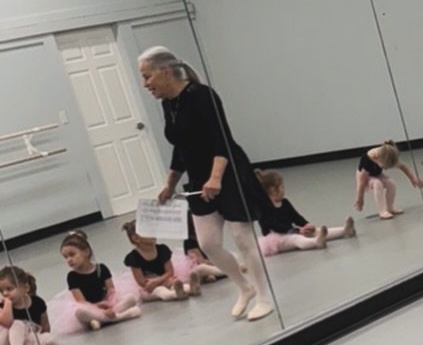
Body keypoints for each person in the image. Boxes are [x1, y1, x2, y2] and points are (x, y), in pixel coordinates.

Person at [138, 47, 275, 322]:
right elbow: (181, 147)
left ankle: (263, 297)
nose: (146, 84)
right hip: (199, 179)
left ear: (165, 72)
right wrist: (170, 183)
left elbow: (220, 138)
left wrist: (216, 177)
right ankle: (244, 288)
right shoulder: (169, 103)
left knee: (242, 238)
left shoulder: (203, 96)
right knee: (209, 243)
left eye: (147, 76)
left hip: (228, 172)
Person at [55, 230, 142, 331]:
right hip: (90, 307)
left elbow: (111, 291)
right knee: (79, 312)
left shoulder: (101, 268)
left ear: (86, 252)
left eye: (72, 254)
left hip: (108, 304)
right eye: (65, 257)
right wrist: (97, 306)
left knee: (130, 298)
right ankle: (120, 317)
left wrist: (109, 305)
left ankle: (99, 320)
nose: (69, 260)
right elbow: (81, 302)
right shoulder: (72, 276)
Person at [256, 170, 356, 255]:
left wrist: (306, 224)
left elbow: (296, 217)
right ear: (273, 190)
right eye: (281, 187)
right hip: (276, 238)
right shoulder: (263, 208)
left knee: (315, 231)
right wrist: (297, 230)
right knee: (296, 239)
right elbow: (275, 226)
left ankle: (345, 230)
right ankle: (316, 242)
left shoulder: (285, 202)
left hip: (291, 231)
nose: (283, 190)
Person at [0, 266, 57, 345]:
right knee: (17, 324)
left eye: (9, 289)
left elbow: (45, 326)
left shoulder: (37, 302)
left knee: (51, 341)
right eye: (1, 291)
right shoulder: (2, 306)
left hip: (28, 344)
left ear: (25, 288)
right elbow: (7, 322)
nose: (5, 293)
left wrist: (43, 339)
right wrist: (7, 304)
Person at [121, 221, 193, 301]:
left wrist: (161, 281)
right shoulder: (133, 258)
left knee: (175, 283)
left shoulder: (162, 249)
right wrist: (158, 283)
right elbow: (142, 282)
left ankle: (190, 288)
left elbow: (170, 272)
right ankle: (173, 295)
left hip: (165, 279)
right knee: (160, 291)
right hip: (149, 288)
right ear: (136, 238)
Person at [354, 143, 423, 220]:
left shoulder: (387, 154)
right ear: (378, 159)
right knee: (377, 184)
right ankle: (382, 211)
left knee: (391, 184)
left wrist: (413, 178)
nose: (387, 169)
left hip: (377, 174)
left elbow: (403, 166)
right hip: (367, 178)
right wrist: (360, 198)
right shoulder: (366, 160)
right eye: (385, 167)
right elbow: (361, 182)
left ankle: (390, 207)